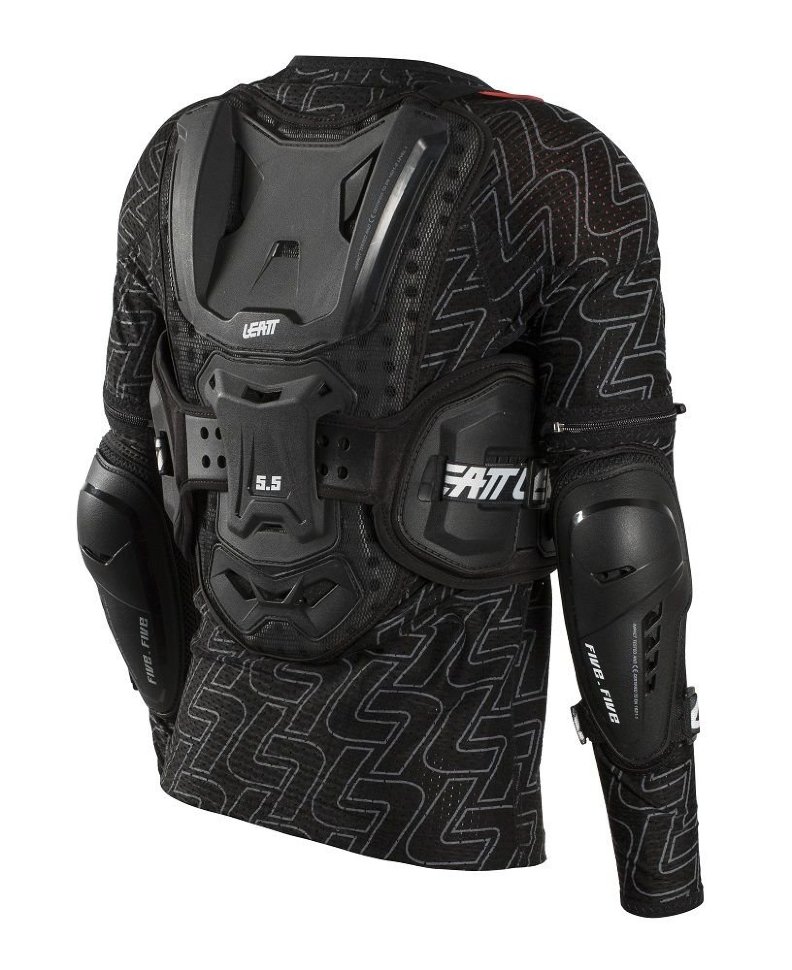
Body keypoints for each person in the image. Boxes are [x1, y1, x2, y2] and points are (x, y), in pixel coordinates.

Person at [78, 56, 702, 917]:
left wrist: (171, 730)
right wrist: (661, 867)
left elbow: (119, 502)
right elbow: (621, 540)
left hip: (207, 789)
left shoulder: (173, 156)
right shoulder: (559, 165)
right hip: (439, 799)